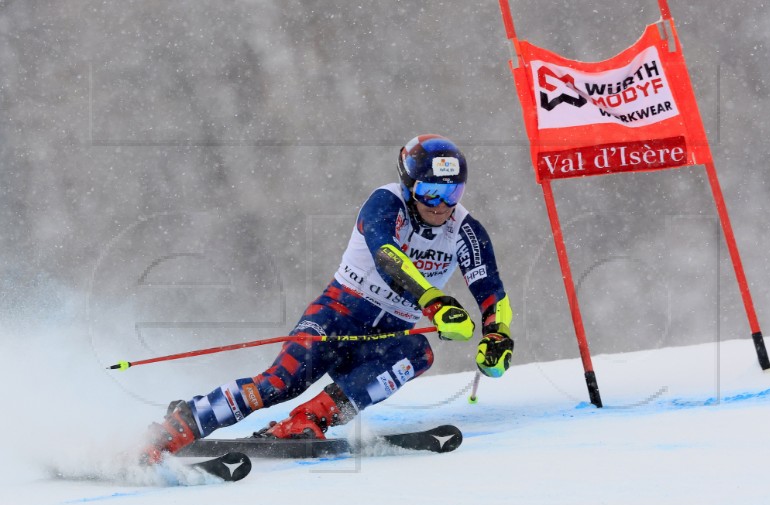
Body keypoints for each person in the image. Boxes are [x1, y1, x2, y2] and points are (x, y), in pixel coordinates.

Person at [142, 134, 514, 464]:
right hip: (337, 316)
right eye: (430, 192)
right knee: (278, 384)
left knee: (419, 353)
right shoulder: (385, 203)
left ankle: (307, 420)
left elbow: (490, 290)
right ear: (408, 185)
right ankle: (181, 424)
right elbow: (388, 258)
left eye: (453, 192)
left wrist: (497, 336)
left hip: (383, 339)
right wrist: (435, 302)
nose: (441, 204)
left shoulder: (465, 230)